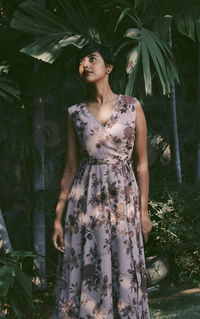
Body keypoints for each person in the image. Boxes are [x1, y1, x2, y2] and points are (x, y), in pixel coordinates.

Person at [52, 41, 152, 319]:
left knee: (122, 265)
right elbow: (70, 168)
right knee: (88, 263)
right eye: (81, 60)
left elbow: (142, 165)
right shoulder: (75, 114)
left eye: (92, 59)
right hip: (85, 201)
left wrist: (144, 213)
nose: (84, 64)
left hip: (123, 198)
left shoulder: (132, 107)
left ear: (109, 67)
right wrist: (58, 216)